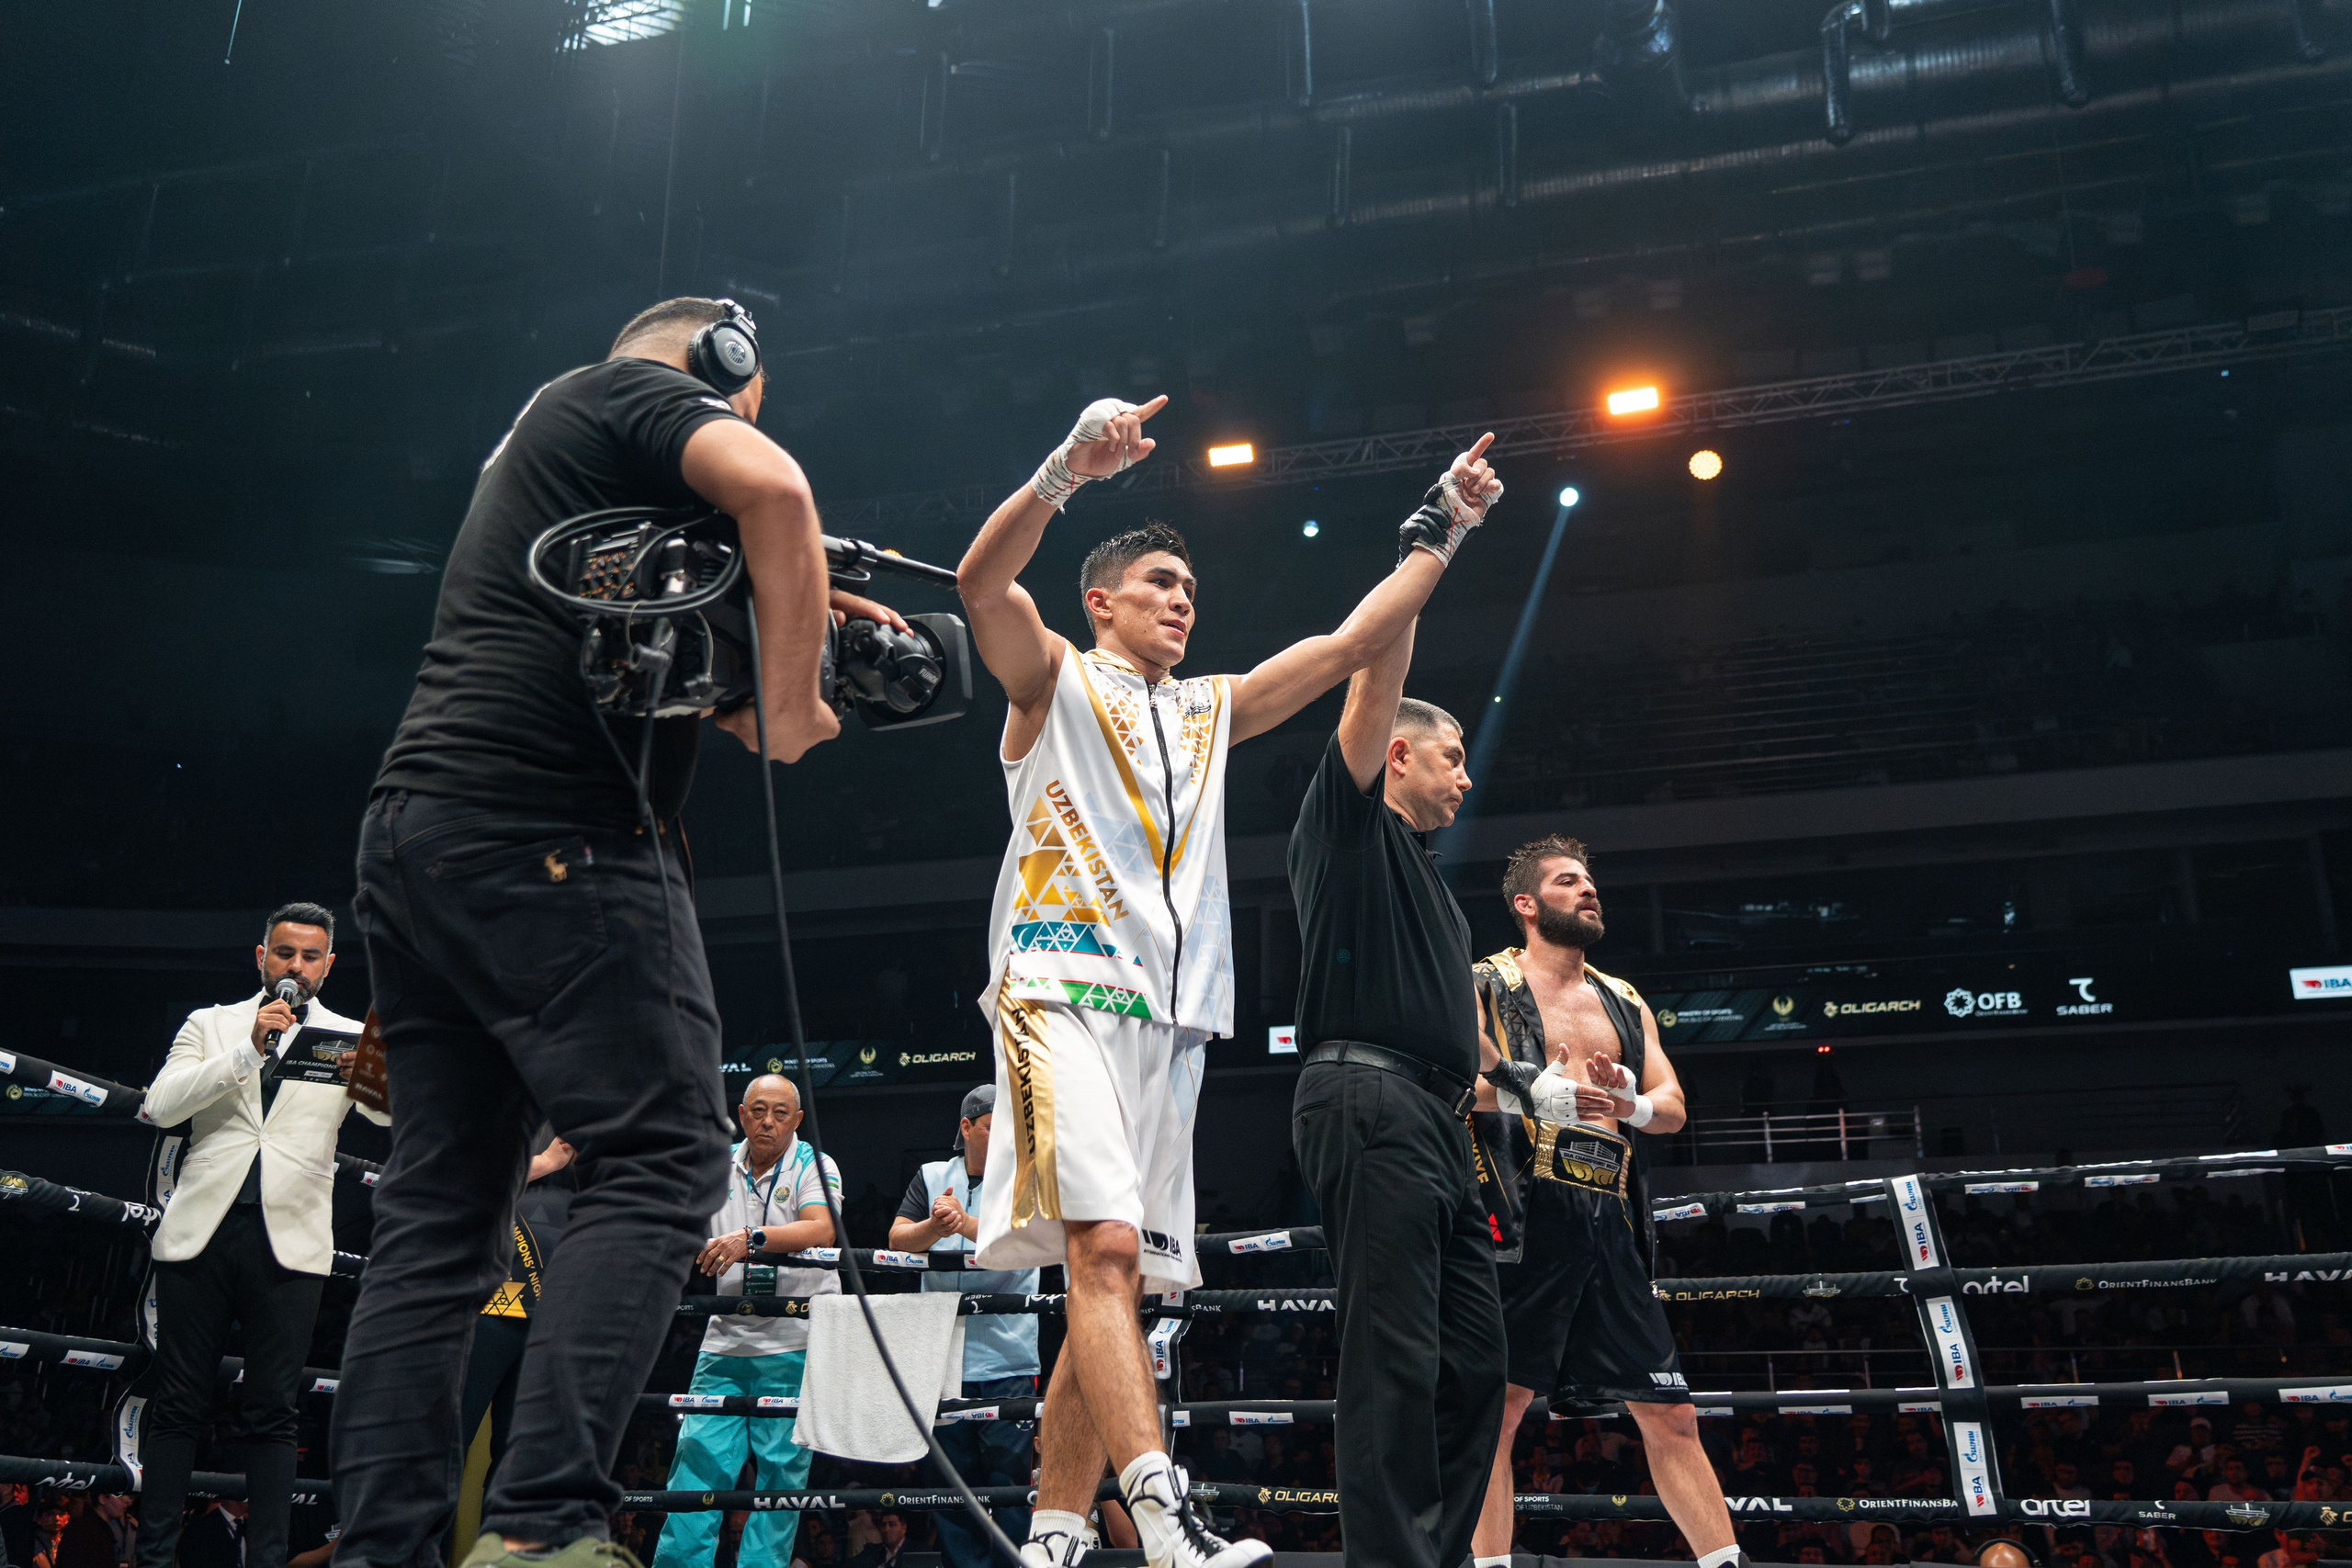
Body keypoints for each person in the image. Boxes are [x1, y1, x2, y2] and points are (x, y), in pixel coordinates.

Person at [332, 296, 870, 1568]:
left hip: (423, 833)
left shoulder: (562, 482)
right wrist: (796, 707)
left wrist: (802, 652)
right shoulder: (627, 390)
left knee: (441, 1215)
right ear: (719, 360)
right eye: (747, 394)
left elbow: (685, 683)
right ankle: (537, 1528)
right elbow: (777, 494)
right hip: (548, 832)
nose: (745, 416)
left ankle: (382, 1547)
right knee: (670, 1150)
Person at [954, 394, 1502, 1568]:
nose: (1180, 599)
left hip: (1171, 1023)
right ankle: (1162, 1513)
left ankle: (1051, 1534)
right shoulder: (1052, 680)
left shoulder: (1211, 710)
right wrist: (1064, 471)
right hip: (1057, 991)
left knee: (1113, 1286)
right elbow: (980, 585)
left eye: (1189, 589)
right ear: (1100, 601)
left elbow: (1357, 643)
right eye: (1157, 582)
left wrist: (1441, 524)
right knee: (1102, 1257)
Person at [1287, 660, 1506, 1568]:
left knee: (1474, 1368)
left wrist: (1549, 1090)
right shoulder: (1349, 831)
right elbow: (1375, 676)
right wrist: (1436, 542)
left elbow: (1476, 1054)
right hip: (1368, 1100)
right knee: (1394, 1361)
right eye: (1451, 758)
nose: (1465, 777)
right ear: (1397, 752)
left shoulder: (1435, 897)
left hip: (1438, 1122)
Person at [1466, 836, 1732, 1568]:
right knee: (1496, 1412)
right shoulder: (1484, 983)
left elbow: (1674, 1104)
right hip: (1519, 1215)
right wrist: (1537, 1090)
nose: (1588, 890)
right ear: (1526, 903)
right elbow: (1454, 1080)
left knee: (1672, 1412)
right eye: (1567, 881)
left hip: (1609, 1219)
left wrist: (1631, 1102)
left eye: (1590, 880)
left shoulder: (1623, 997)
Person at [135, 904, 385, 1568]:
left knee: (273, 1411)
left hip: (292, 1241)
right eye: (284, 953)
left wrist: (389, 1046)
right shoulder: (213, 1023)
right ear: (261, 956)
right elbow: (159, 1106)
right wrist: (248, 1046)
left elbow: (391, 1114)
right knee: (177, 1403)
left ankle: (268, 1560)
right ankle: (154, 1558)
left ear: (328, 965)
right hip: (201, 1235)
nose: (295, 967)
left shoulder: (350, 1034)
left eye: (309, 956)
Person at [651, 1075, 842, 1568]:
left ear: (797, 1120)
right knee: (694, 1467)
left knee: (780, 1483)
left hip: (795, 1341)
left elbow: (821, 1227)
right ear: (741, 1114)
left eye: (781, 1113)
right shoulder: (717, 1166)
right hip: (726, 1341)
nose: (768, 1122)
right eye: (758, 1110)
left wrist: (750, 1238)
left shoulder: (813, 1164)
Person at [888, 1085, 1040, 1568]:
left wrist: (964, 1223)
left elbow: (1026, 1240)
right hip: (941, 1357)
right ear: (967, 1128)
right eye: (995, 1126)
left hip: (1007, 1359)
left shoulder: (1025, 1177)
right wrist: (935, 1226)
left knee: (1007, 1492)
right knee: (952, 1494)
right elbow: (897, 1238)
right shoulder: (932, 1176)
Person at [457, 1134, 579, 1509]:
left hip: (554, 1323)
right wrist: (545, 1162)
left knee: (519, 1466)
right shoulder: (508, 1104)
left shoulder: (605, 1123)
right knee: (446, 1448)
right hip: (484, 1310)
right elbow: (466, 1181)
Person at [53, 1495, 131, 1568]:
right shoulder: (86, 1531)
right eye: (119, 1495)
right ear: (102, 1498)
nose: (127, 1501)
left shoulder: (97, 1528)